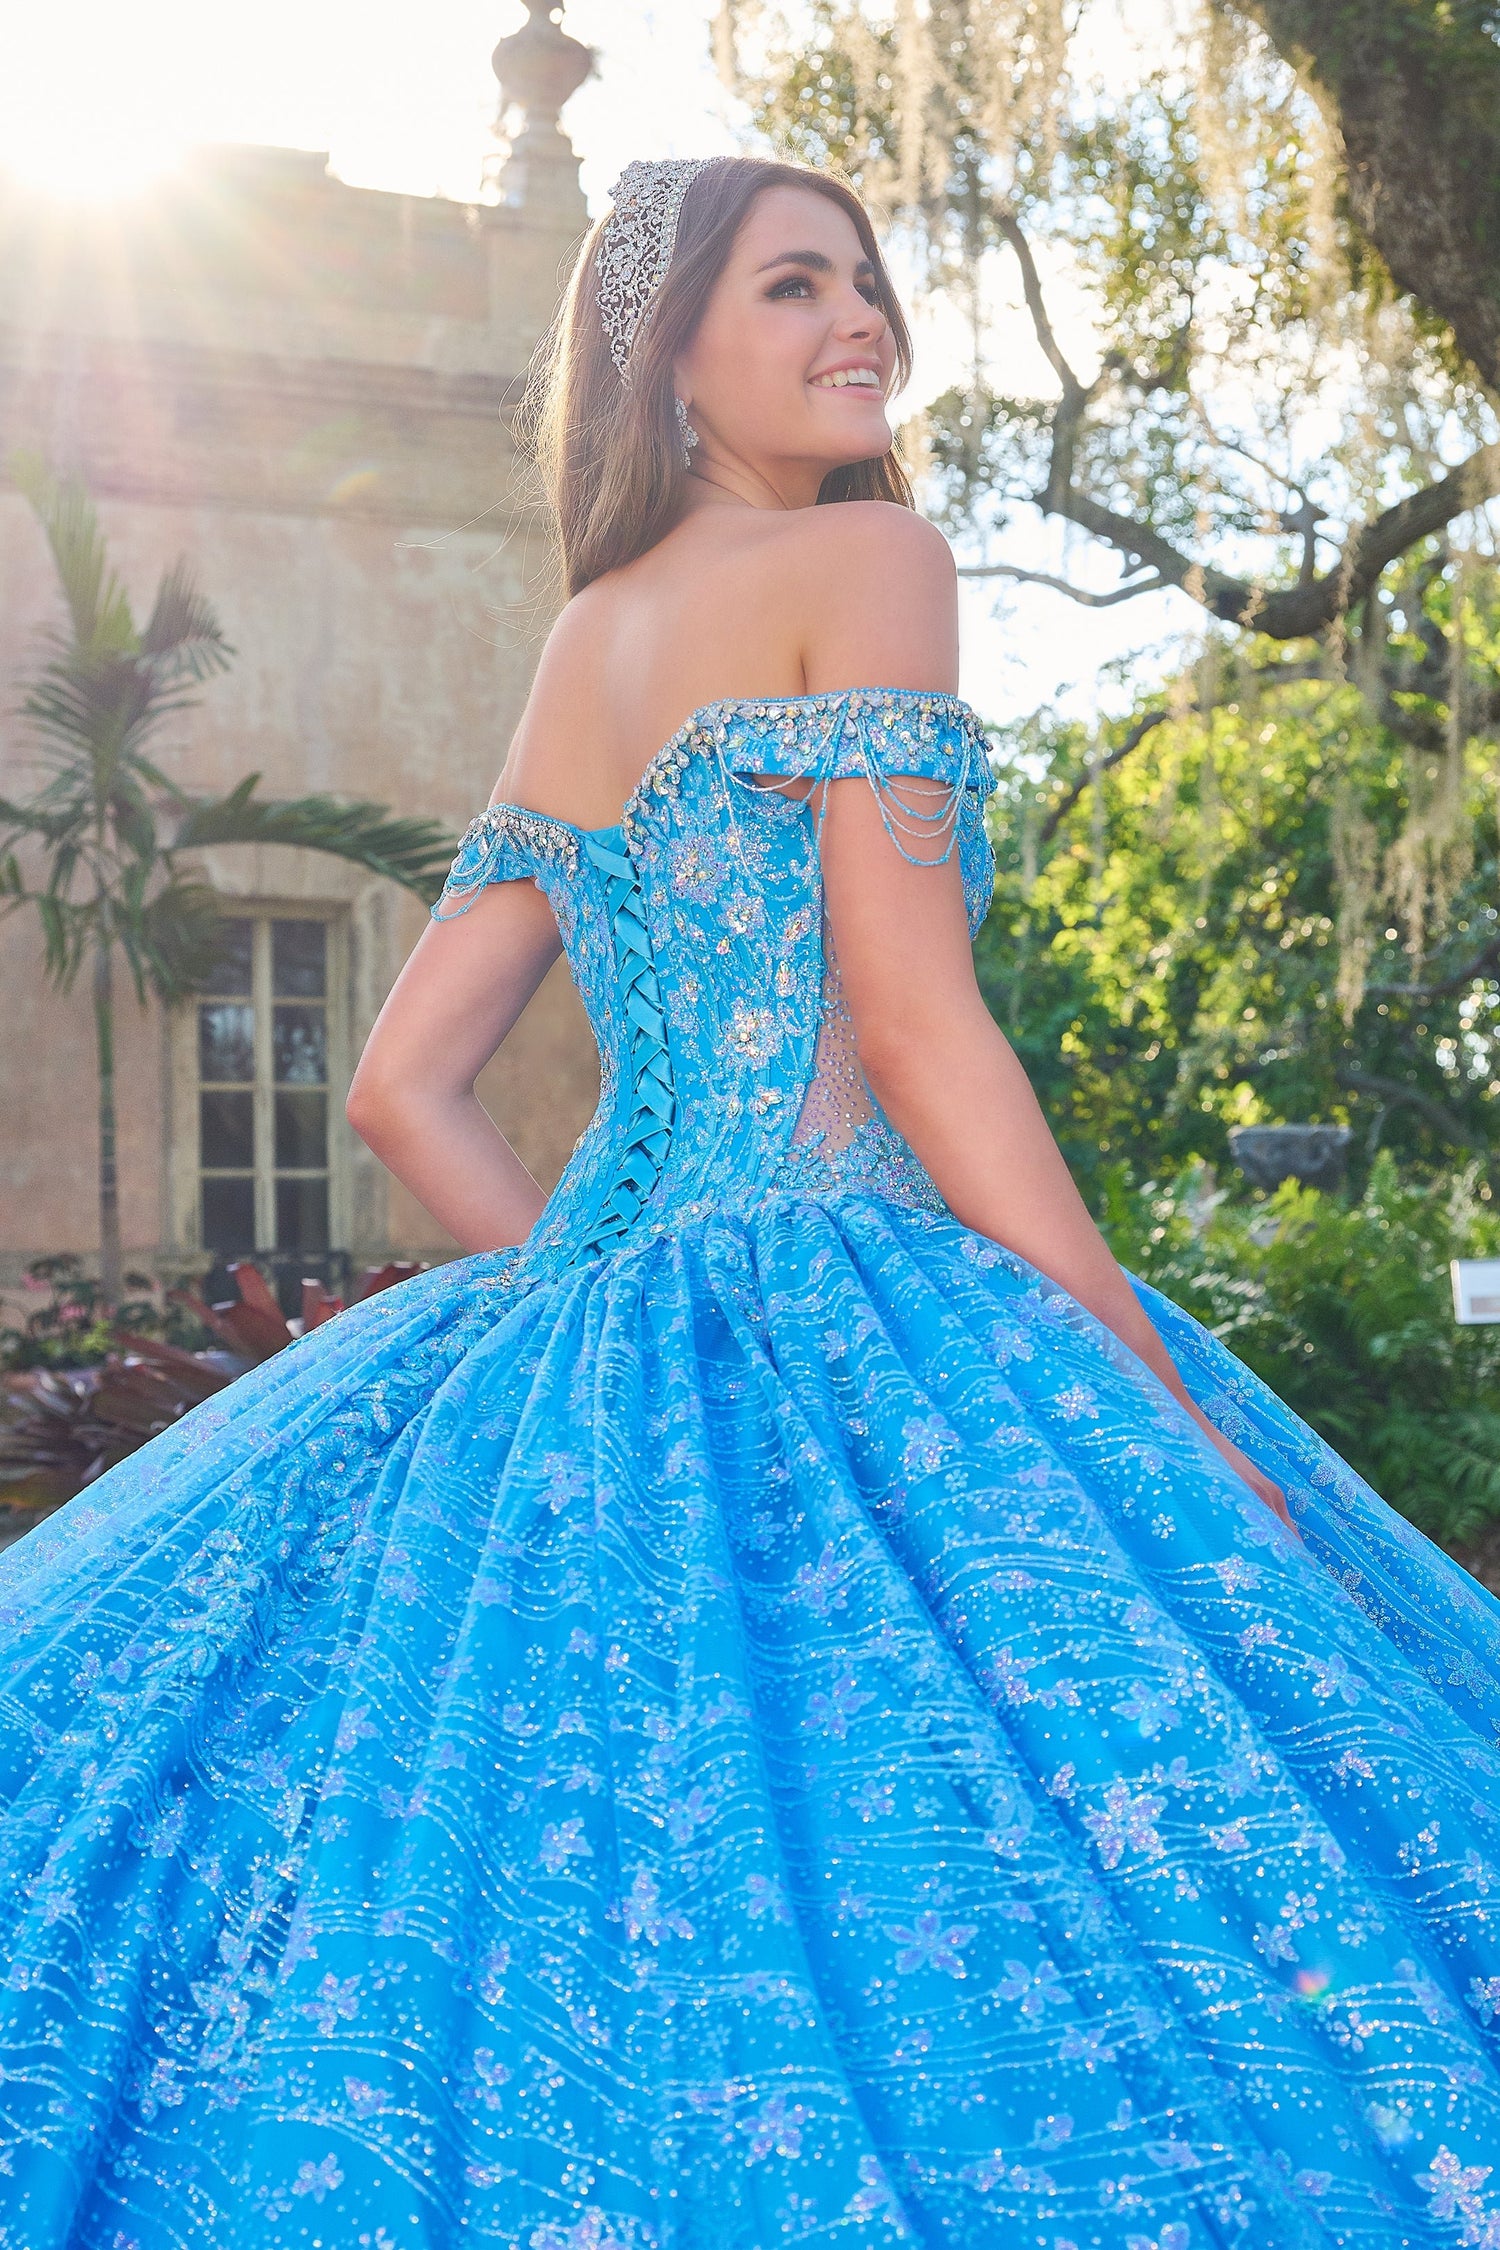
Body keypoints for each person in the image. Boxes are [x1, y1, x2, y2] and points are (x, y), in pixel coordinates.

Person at [2, 154, 1498, 2250]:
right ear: (667, 352)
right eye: (795, 285)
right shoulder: (874, 560)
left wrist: (597, 1304)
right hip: (851, 1268)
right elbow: (916, 1023)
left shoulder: (587, 638)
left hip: (581, 1304)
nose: (860, 318)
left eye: (867, 281)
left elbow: (401, 1089)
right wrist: (1147, 1388)